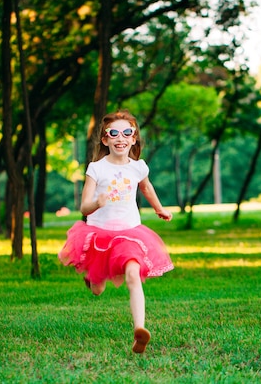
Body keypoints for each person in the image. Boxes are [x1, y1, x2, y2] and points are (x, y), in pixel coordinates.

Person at [58, 109, 174, 354]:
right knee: (98, 290)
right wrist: (96, 203)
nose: (120, 137)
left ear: (133, 139)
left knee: (133, 275)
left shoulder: (138, 167)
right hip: (99, 234)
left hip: (129, 233)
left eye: (126, 132)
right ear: (105, 139)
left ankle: (139, 331)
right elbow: (84, 206)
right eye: (114, 133)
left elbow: (146, 187)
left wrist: (159, 209)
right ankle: (92, 278)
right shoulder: (96, 169)